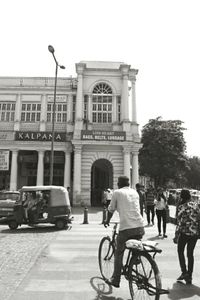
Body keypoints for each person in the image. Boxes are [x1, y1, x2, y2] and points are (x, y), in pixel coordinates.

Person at [104, 175, 145, 288]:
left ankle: (116, 279)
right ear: (129, 183)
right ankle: (135, 258)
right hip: (140, 226)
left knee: (118, 253)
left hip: (126, 228)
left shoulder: (117, 193)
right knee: (135, 246)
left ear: (119, 184)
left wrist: (107, 220)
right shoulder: (135, 193)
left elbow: (111, 209)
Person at [174, 189, 200, 284]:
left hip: (184, 233)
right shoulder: (196, 205)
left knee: (180, 251)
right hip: (194, 233)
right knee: (190, 254)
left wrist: (176, 235)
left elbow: (179, 223)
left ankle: (184, 272)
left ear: (181, 197)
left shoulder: (181, 207)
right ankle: (190, 275)